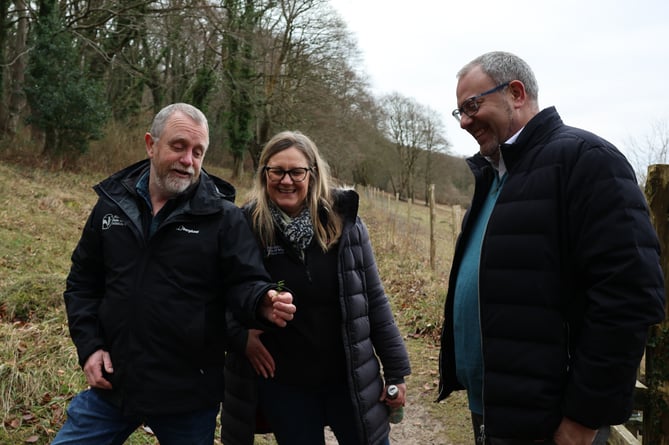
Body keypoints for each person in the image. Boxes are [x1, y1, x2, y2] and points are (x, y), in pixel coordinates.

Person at [437, 51, 666, 445]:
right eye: (459, 112)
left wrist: (583, 419)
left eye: (472, 106)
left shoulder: (587, 161)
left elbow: (628, 299)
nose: (466, 122)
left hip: (554, 421)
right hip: (496, 406)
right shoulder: (494, 176)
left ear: (516, 93)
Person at [52, 103, 296, 445]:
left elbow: (245, 282)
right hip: (114, 384)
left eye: (198, 152)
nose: (188, 161)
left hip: (188, 398)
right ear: (151, 144)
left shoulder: (224, 219)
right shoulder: (111, 206)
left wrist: (263, 302)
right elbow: (82, 283)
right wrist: (90, 348)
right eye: (179, 146)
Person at [220, 131, 411, 445]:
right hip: (285, 384)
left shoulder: (344, 223)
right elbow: (224, 293)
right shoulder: (246, 226)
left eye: (296, 172)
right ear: (264, 173)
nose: (286, 180)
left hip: (347, 380)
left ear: (312, 174)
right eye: (276, 171)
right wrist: (240, 337)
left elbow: (374, 299)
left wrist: (395, 372)